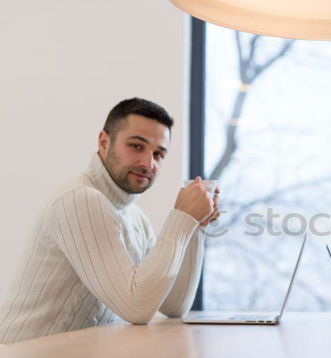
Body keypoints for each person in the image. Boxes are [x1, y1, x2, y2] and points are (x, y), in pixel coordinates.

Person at [0, 98, 219, 343]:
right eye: (137, 146)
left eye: (158, 154)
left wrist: (195, 225)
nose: (148, 163)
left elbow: (174, 305)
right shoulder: (80, 199)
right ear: (104, 142)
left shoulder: (135, 217)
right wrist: (183, 216)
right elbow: (136, 307)